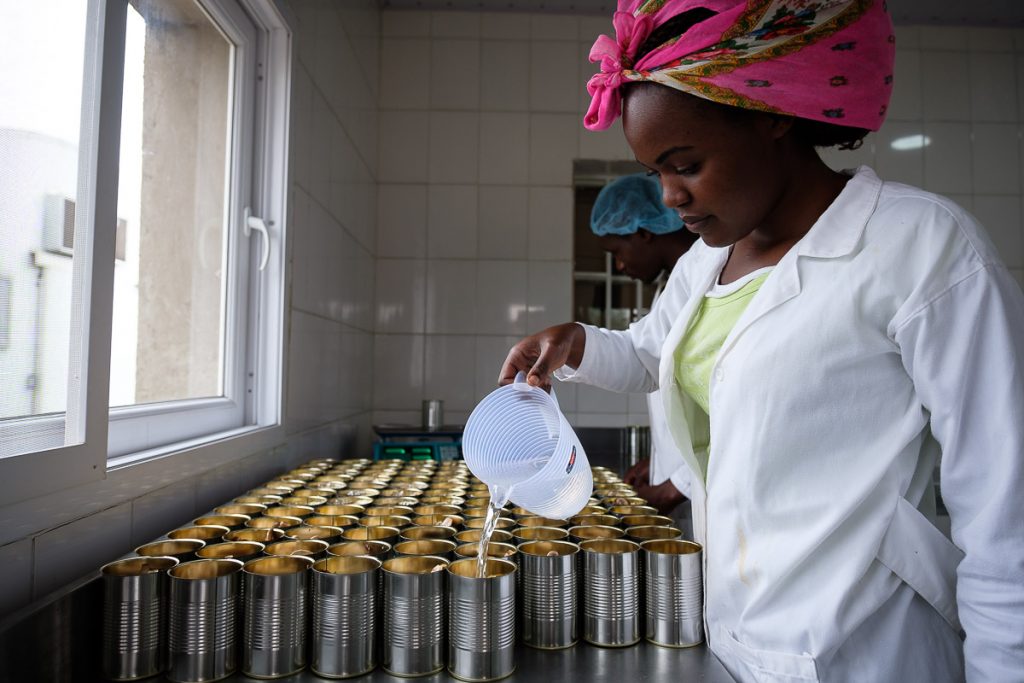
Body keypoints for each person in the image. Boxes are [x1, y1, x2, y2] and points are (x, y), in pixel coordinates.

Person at [500, 1, 1024, 681]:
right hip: (735, 630)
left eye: (685, 164)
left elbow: (1004, 509)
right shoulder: (704, 260)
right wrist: (575, 344)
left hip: (862, 647)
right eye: (656, 171)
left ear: (770, 113)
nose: (670, 197)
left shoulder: (923, 249)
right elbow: (652, 354)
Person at [588, 173, 698, 520]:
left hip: (712, 493)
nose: (619, 266)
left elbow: (726, 406)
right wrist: (663, 461)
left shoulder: (706, 281)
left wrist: (676, 484)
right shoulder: (673, 287)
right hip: (689, 488)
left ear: (644, 233)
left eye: (617, 252)